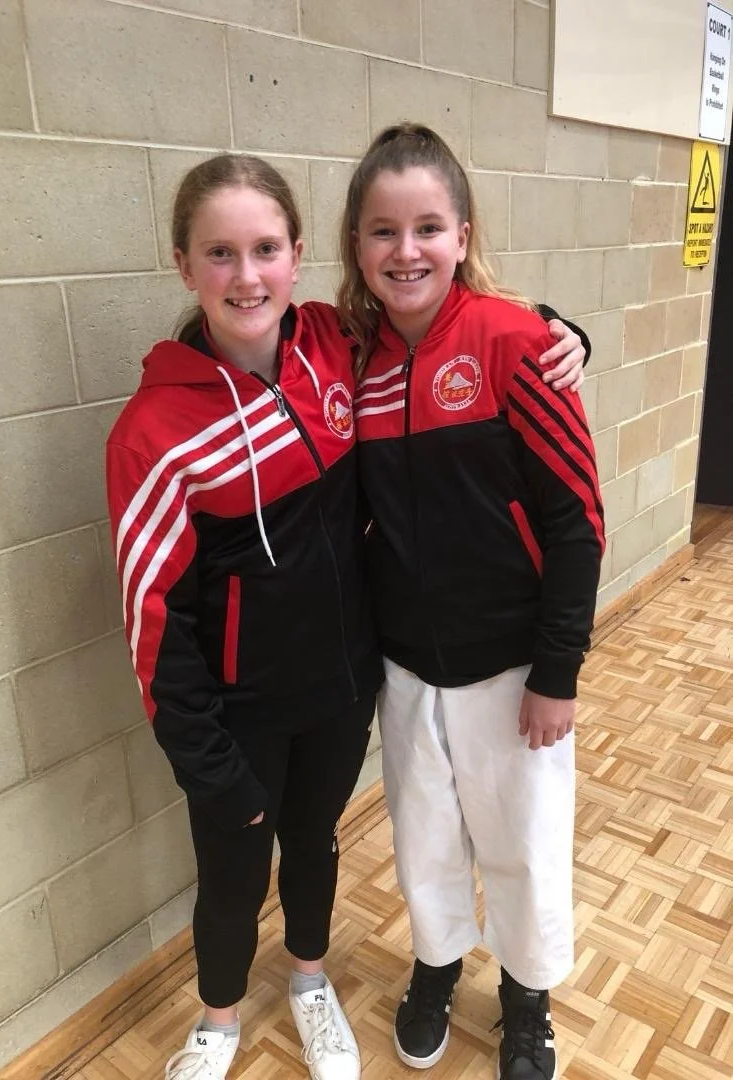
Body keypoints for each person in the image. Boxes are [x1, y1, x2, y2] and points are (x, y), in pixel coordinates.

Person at [105, 153, 588, 1080]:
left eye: (265, 249)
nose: (246, 275)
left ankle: (352, 986)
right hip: (270, 701)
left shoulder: (333, 346)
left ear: (296, 256)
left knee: (353, 846)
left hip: (360, 683)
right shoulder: (157, 429)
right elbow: (153, 620)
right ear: (183, 264)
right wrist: (201, 755)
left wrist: (558, 331)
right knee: (259, 868)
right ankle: (222, 1023)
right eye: (220, 253)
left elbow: (457, 326)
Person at [337, 124, 605, 1080]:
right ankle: (438, 964)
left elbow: (577, 522)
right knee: (426, 840)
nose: (405, 250)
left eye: (427, 228)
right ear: (356, 245)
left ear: (462, 234)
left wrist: (558, 671)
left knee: (523, 844)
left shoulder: (515, 344)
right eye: (383, 231)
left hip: (513, 667)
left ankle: (526, 997)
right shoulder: (352, 359)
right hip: (407, 663)